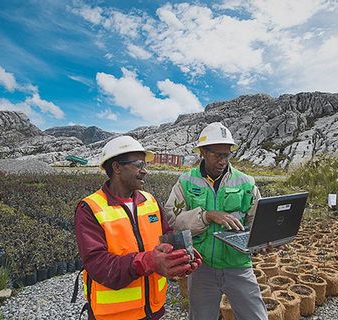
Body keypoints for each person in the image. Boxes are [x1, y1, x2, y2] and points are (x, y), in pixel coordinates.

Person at [74, 135, 202, 320]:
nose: (145, 171)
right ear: (117, 167)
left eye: (145, 165)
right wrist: (148, 261)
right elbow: (97, 264)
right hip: (114, 315)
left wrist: (180, 259)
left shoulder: (150, 201)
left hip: (153, 310)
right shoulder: (90, 208)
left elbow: (166, 236)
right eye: (138, 164)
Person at [164, 122, 267, 320]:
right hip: (202, 267)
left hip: (239, 266)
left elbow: (257, 221)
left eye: (226, 155)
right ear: (202, 151)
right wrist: (206, 216)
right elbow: (173, 222)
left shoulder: (246, 182)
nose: (222, 161)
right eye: (217, 155)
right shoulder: (186, 181)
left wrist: (263, 240)